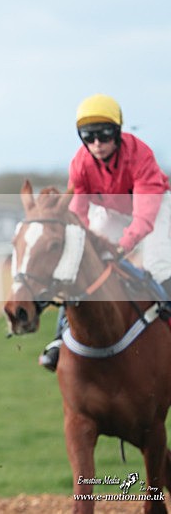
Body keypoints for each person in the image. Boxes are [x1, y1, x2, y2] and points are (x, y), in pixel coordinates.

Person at [39, 94, 171, 371]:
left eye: (104, 135)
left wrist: (121, 246)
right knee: (80, 264)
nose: (97, 143)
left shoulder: (140, 154)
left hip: (155, 208)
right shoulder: (80, 163)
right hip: (112, 211)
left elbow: (144, 218)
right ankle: (60, 338)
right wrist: (80, 245)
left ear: (118, 133)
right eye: (89, 137)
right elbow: (78, 213)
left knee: (158, 266)